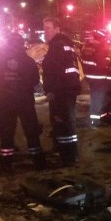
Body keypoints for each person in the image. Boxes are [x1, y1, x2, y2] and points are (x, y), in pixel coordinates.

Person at [0, 33, 45, 170]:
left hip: (5, 101)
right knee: (31, 131)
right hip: (25, 100)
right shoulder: (28, 61)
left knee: (6, 132)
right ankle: (38, 161)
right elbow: (35, 80)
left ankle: (6, 162)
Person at [42, 18, 81, 166]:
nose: (45, 32)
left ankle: (68, 156)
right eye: (44, 28)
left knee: (63, 122)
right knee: (66, 121)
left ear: (57, 29)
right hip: (67, 89)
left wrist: (51, 90)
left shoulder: (57, 46)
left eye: (48, 28)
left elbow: (55, 71)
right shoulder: (65, 44)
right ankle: (67, 151)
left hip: (61, 91)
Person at [80, 31, 111, 127]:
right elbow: (103, 64)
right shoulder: (100, 48)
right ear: (101, 38)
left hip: (90, 76)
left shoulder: (87, 47)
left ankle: (97, 118)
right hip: (99, 77)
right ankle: (94, 121)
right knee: (97, 100)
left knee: (99, 98)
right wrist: (109, 58)